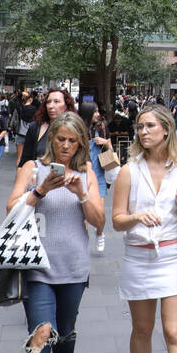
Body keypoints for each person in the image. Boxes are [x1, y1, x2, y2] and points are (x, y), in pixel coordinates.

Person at [9, 112, 103, 353]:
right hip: (38, 266)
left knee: (66, 334)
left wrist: (81, 194)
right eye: (60, 139)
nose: (65, 145)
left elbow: (100, 221)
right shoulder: (32, 168)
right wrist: (40, 190)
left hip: (74, 267)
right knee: (42, 333)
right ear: (51, 139)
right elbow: (11, 208)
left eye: (72, 141)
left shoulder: (86, 173)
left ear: (80, 144)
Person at [112, 104, 177, 353]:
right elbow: (117, 221)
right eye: (139, 127)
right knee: (143, 328)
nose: (143, 132)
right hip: (138, 258)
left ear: (166, 129)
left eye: (149, 126)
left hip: (173, 258)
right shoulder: (128, 171)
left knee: (176, 333)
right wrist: (137, 217)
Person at [78, 101, 113, 254]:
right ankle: (82, 243)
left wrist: (105, 142)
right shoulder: (78, 129)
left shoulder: (102, 127)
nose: (98, 114)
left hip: (99, 174)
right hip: (82, 173)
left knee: (100, 213)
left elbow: (110, 150)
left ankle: (99, 232)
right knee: (83, 214)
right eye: (95, 112)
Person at [19, 88, 76, 166]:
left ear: (66, 105)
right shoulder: (35, 128)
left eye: (56, 101)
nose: (51, 106)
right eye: (48, 102)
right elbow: (24, 162)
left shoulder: (76, 129)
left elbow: (86, 162)